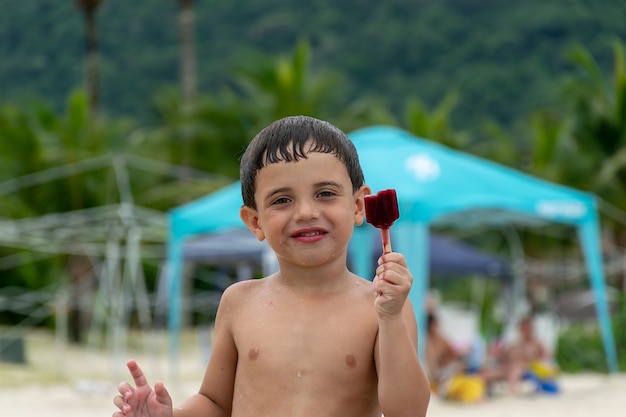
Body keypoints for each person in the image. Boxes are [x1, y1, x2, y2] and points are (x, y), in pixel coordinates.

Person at [112, 115, 431, 417]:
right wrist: (172, 415)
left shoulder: (383, 306)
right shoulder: (239, 302)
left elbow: (407, 411)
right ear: (255, 221)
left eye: (325, 193)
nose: (306, 212)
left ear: (359, 205)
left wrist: (390, 318)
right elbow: (215, 403)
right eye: (282, 200)